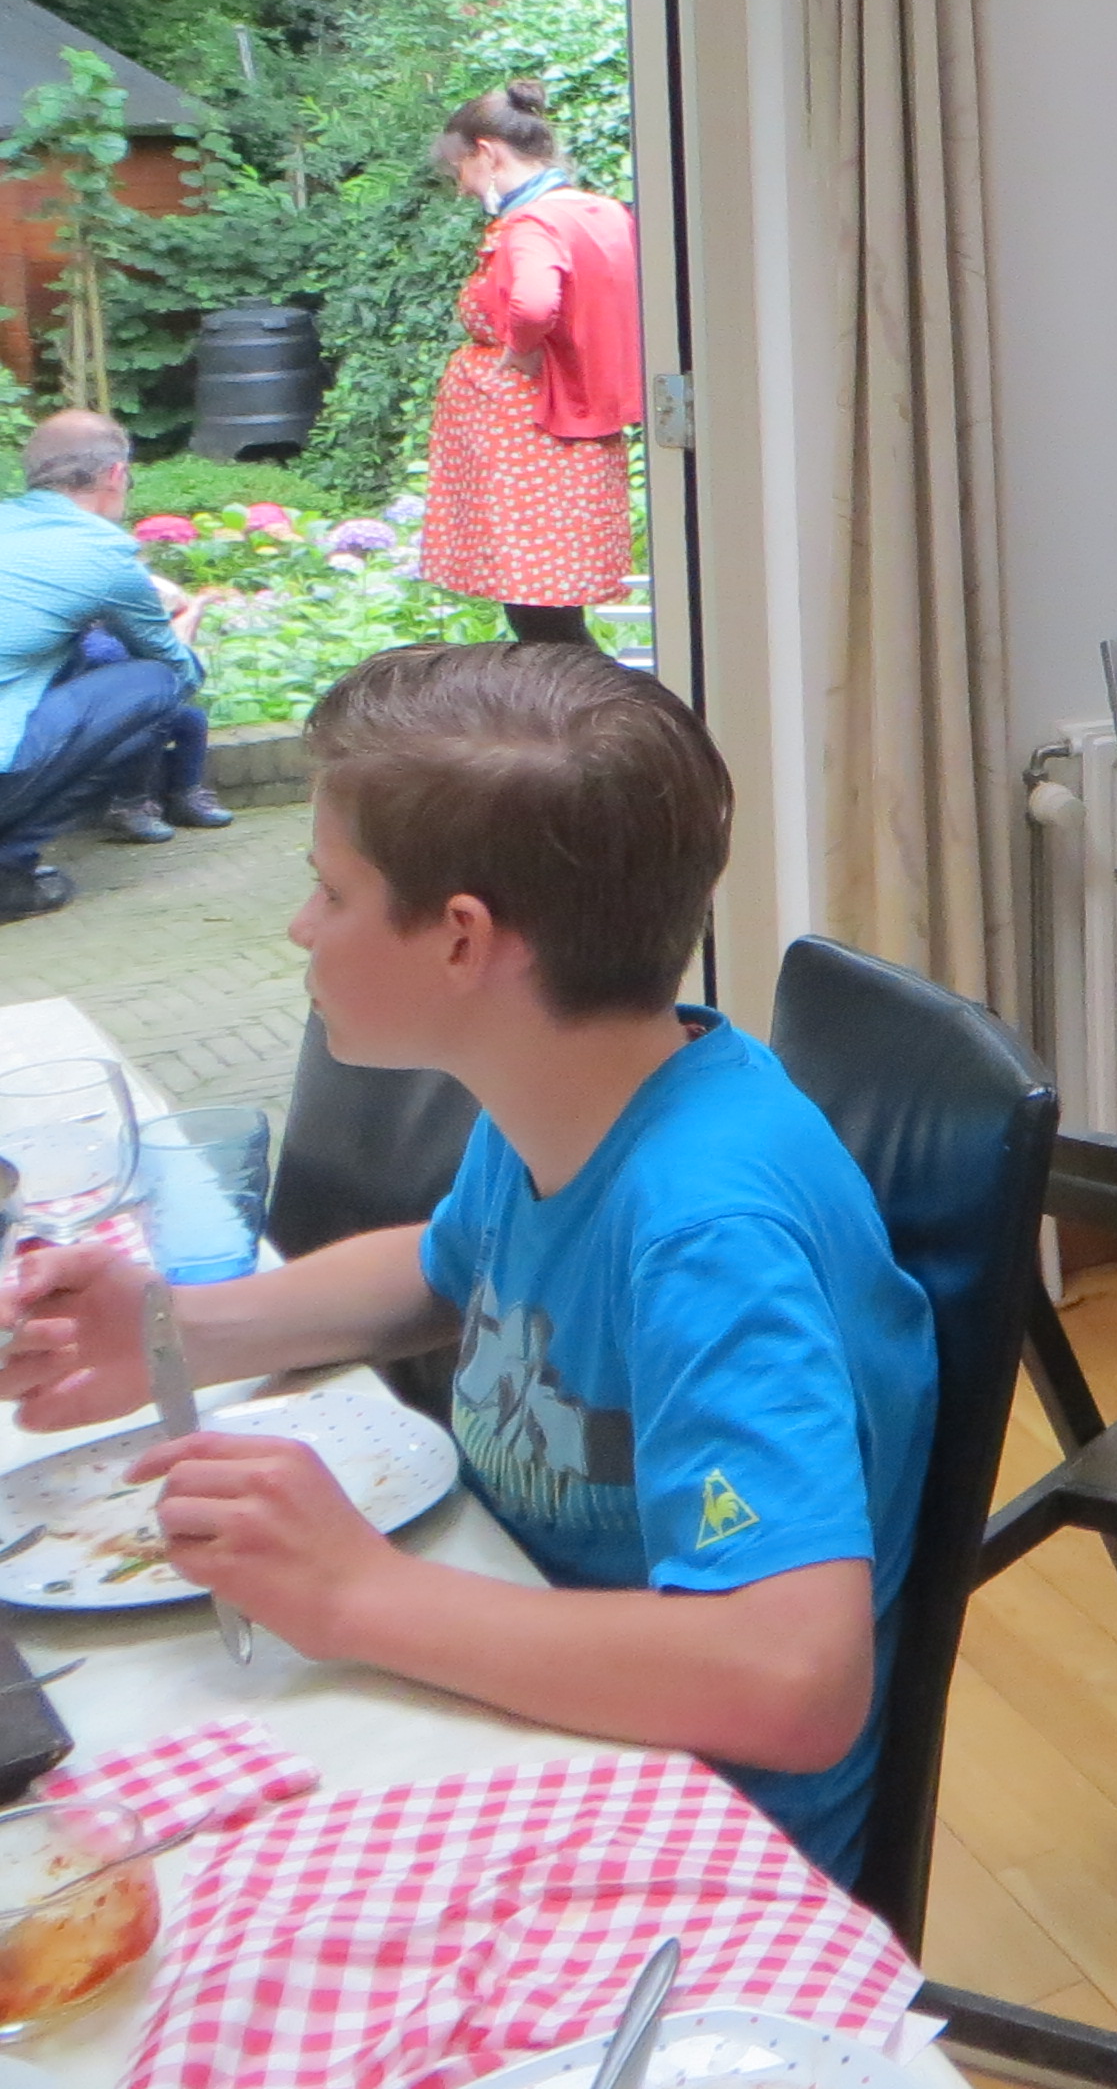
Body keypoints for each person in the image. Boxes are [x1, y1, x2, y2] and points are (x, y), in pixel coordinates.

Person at [0, 642, 933, 1882]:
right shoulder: (578, 1088)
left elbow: (792, 1679)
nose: (300, 926)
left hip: (685, 1842)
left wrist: (360, 1596)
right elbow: (448, 1272)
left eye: (330, 891)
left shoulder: (706, 1235)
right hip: (538, 1696)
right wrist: (176, 1328)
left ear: (461, 941)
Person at [417, 83, 642, 646]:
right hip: (576, 428)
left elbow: (536, 303)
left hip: (528, 438)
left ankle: (581, 701)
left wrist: (518, 348)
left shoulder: (532, 224)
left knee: (538, 613)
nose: (463, 187)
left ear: (487, 153)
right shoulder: (603, 213)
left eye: (461, 170)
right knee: (554, 610)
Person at [0, 411, 223, 919]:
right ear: (115, 475)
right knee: (155, 683)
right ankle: (9, 869)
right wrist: (183, 626)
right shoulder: (104, 555)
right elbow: (178, 672)